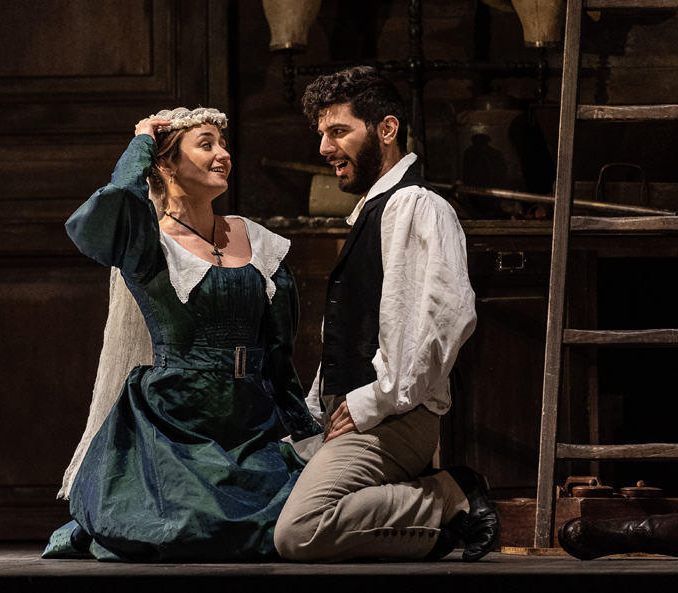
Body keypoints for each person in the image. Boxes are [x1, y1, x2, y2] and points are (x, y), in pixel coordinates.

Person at [42, 107, 320, 562]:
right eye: (206, 144)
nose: (223, 154)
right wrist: (140, 144)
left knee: (294, 517)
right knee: (190, 527)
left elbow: (278, 351)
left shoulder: (256, 240)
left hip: (251, 425)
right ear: (167, 165)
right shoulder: (150, 243)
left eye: (223, 144)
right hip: (175, 425)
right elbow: (105, 210)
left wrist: (304, 427)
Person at [273, 66, 499, 562]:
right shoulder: (373, 212)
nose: (324, 149)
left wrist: (372, 402)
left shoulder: (418, 206)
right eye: (322, 135)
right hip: (355, 415)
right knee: (253, 506)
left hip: (397, 418)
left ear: (386, 130)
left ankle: (448, 495)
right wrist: (316, 411)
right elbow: (353, 330)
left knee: (298, 531)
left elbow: (446, 321)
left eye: (338, 132)